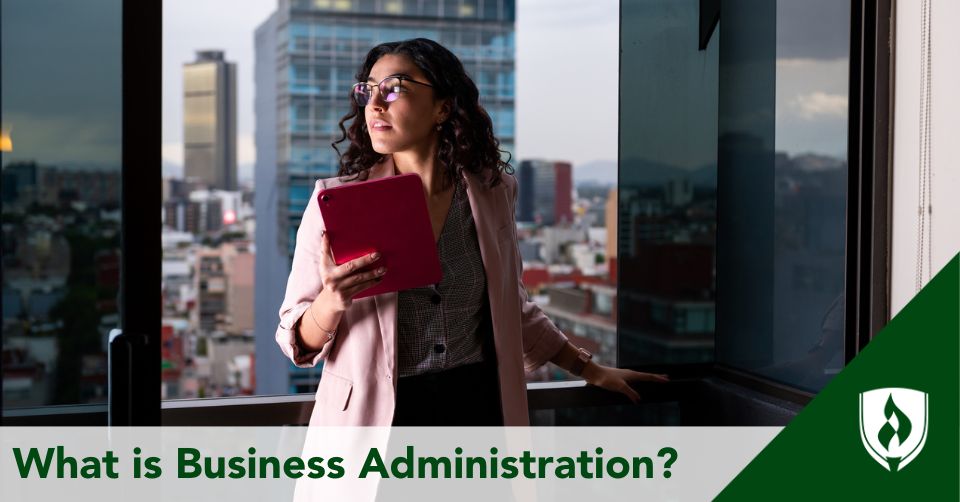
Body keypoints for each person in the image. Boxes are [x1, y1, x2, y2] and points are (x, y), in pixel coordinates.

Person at [275, 38, 669, 427]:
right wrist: (333, 299)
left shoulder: (492, 193)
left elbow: (510, 308)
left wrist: (589, 369)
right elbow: (295, 338)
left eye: (395, 88)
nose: (375, 104)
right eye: (369, 90)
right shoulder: (336, 203)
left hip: (477, 406)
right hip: (376, 418)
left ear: (443, 108)